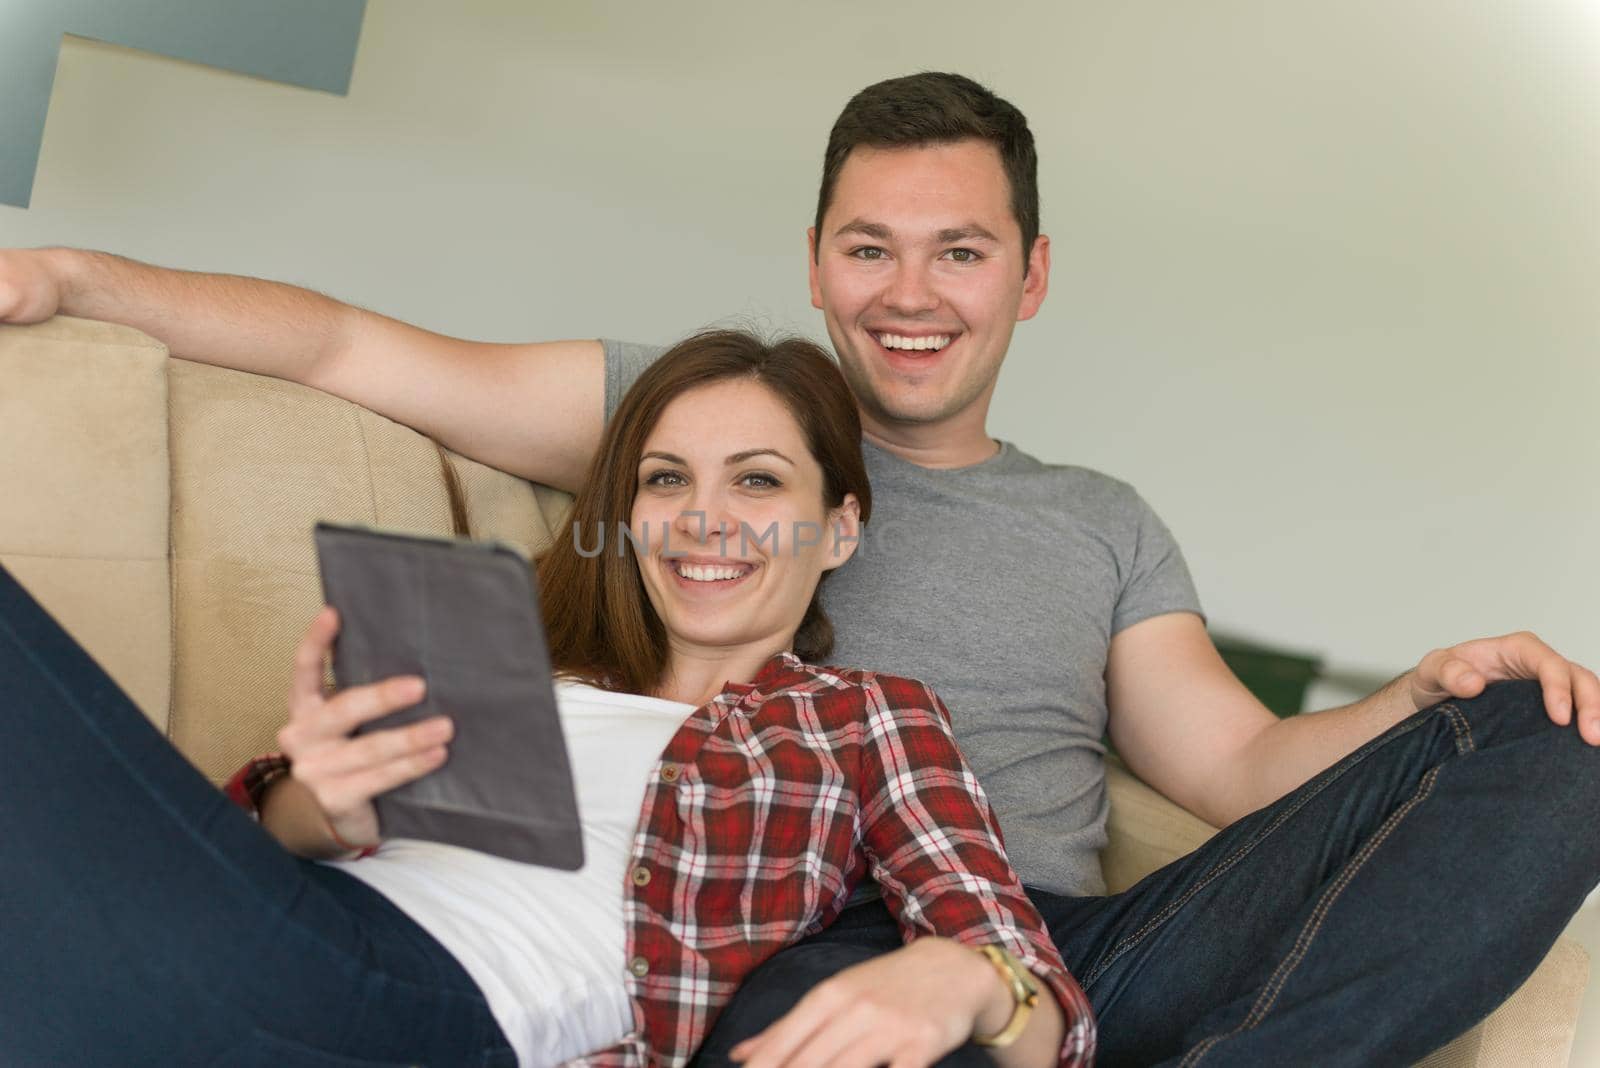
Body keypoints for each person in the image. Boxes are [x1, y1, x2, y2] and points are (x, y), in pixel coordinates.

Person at [2, 70, 1597, 1065]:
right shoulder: (686, 405)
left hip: (1059, 931)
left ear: (1028, 277)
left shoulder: (1093, 522)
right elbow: (351, 340)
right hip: (780, 937)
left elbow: (1245, 764)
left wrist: (1417, 697)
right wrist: (75, 273)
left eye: (959, 249)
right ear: (818, 259)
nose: (911, 292)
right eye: (869, 245)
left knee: (1553, 743)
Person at [0, 329, 1094, 1067]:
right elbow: (253, 848)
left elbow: (1036, 994)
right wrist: (313, 805)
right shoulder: (503, 655)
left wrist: (967, 979)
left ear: (840, 527)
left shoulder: (861, 718)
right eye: (666, 480)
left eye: (756, 481)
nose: (702, 518)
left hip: (429, 1007)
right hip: (263, 923)